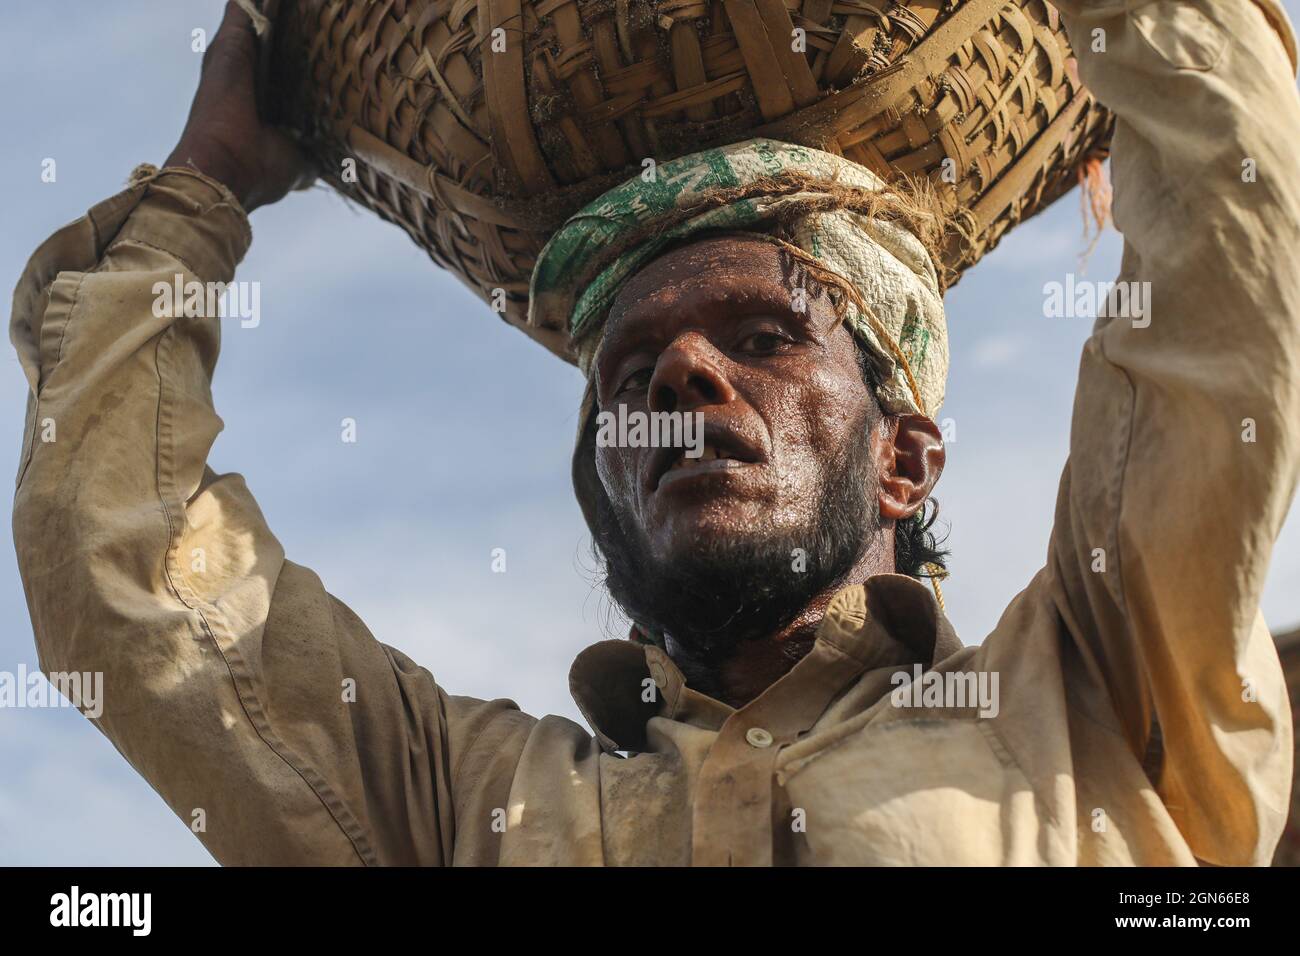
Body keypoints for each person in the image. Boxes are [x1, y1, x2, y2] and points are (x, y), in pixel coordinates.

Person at [10, 0, 1298, 865]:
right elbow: (132, 576)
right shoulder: (456, 807)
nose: (680, 369)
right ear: (600, 496)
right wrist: (203, 190)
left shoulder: (1098, 698)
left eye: (764, 338)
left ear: (907, 456)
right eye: (629, 370)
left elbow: (1232, 278)